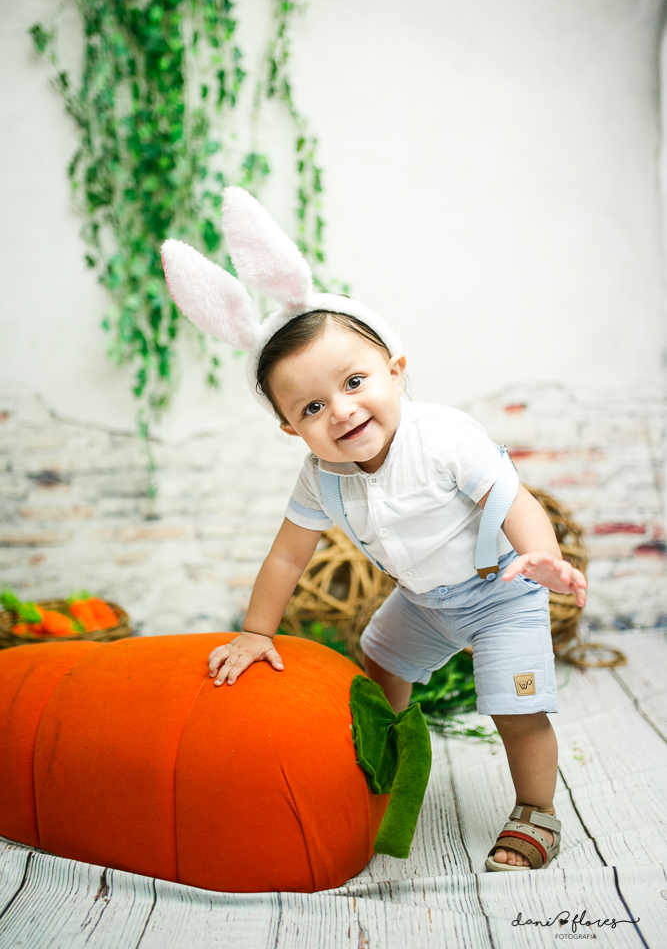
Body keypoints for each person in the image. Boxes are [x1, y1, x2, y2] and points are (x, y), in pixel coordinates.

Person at [161, 186, 587, 873]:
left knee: (514, 706)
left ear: (395, 370)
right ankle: (378, 764)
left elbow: (513, 499)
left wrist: (540, 555)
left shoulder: (443, 438)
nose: (339, 410)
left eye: (354, 382)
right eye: (311, 407)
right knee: (379, 661)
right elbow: (285, 559)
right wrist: (256, 632)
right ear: (289, 429)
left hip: (501, 589)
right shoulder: (320, 477)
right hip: (424, 600)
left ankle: (535, 811)